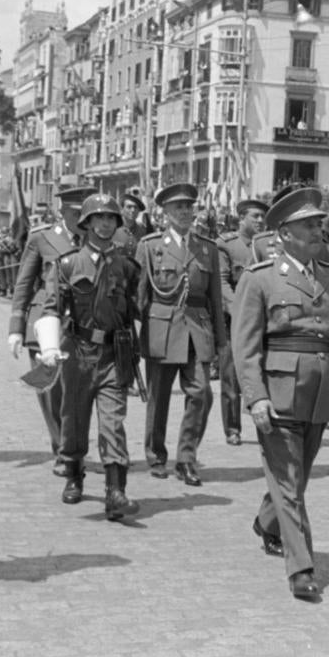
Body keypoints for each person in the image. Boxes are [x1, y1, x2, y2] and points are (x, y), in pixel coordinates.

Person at [231, 187, 329, 602]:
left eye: (320, 223)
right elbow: (245, 347)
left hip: (322, 396)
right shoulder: (259, 277)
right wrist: (255, 396)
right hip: (278, 395)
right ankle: (301, 568)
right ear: (284, 233)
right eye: (310, 224)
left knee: (294, 481)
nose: (320, 229)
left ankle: (268, 522)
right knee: (287, 481)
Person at [35, 194, 142, 520]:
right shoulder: (67, 264)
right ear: (87, 224)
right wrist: (50, 346)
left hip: (113, 354)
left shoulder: (127, 266)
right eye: (99, 218)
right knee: (74, 419)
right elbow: (51, 308)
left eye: (111, 218)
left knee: (113, 422)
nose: (106, 224)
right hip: (78, 353)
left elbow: (138, 309)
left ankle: (115, 491)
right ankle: (74, 474)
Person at [136, 183, 226, 486]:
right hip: (161, 329)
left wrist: (221, 341)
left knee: (201, 393)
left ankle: (186, 458)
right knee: (158, 399)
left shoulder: (207, 248)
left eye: (189, 207)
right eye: (179, 208)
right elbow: (139, 297)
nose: (186, 212)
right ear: (166, 213)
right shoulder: (150, 246)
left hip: (197, 330)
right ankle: (156, 455)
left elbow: (215, 299)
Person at [7, 185, 91, 476]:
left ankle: (73, 448)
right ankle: (62, 450)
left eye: (85, 213)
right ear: (61, 211)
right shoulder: (41, 238)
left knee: (79, 391)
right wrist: (16, 327)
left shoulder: (97, 239)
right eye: (75, 213)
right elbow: (23, 283)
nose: (81, 219)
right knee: (51, 391)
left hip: (83, 322)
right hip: (46, 321)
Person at [216, 199, 268, 446]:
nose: (260, 221)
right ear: (241, 218)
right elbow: (222, 282)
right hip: (233, 321)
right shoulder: (228, 246)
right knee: (231, 377)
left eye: (262, 217)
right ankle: (233, 428)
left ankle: (268, 422)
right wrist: (241, 311)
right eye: (255, 216)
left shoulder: (270, 246)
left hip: (266, 320)